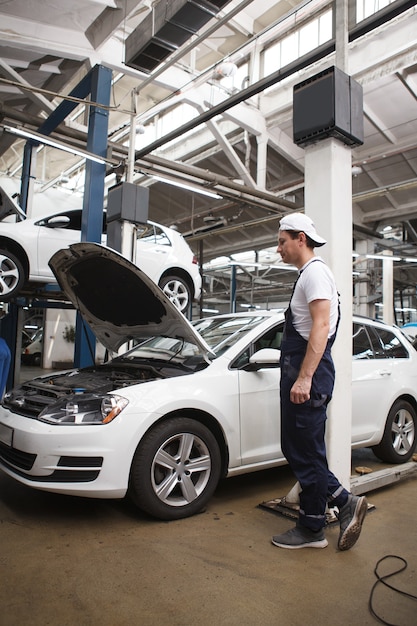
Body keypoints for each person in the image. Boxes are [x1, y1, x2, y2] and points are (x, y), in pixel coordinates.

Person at [272, 212, 367, 550]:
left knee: (304, 450)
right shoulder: (308, 275)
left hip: (307, 376)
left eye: (282, 241)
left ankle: (343, 502)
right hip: (303, 374)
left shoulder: (314, 274)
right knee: (301, 448)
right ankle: (313, 524)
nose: (278, 248)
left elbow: (321, 327)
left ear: (301, 238)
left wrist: (304, 379)